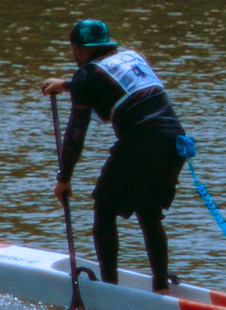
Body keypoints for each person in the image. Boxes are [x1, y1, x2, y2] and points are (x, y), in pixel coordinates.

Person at [42, 18, 186, 291]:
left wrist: (64, 177)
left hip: (142, 142)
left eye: (74, 50)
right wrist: (68, 85)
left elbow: (75, 133)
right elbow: (111, 86)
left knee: (104, 208)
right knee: (149, 212)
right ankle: (161, 286)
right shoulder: (131, 56)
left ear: (81, 50)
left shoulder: (86, 75)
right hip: (174, 141)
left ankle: (109, 288)